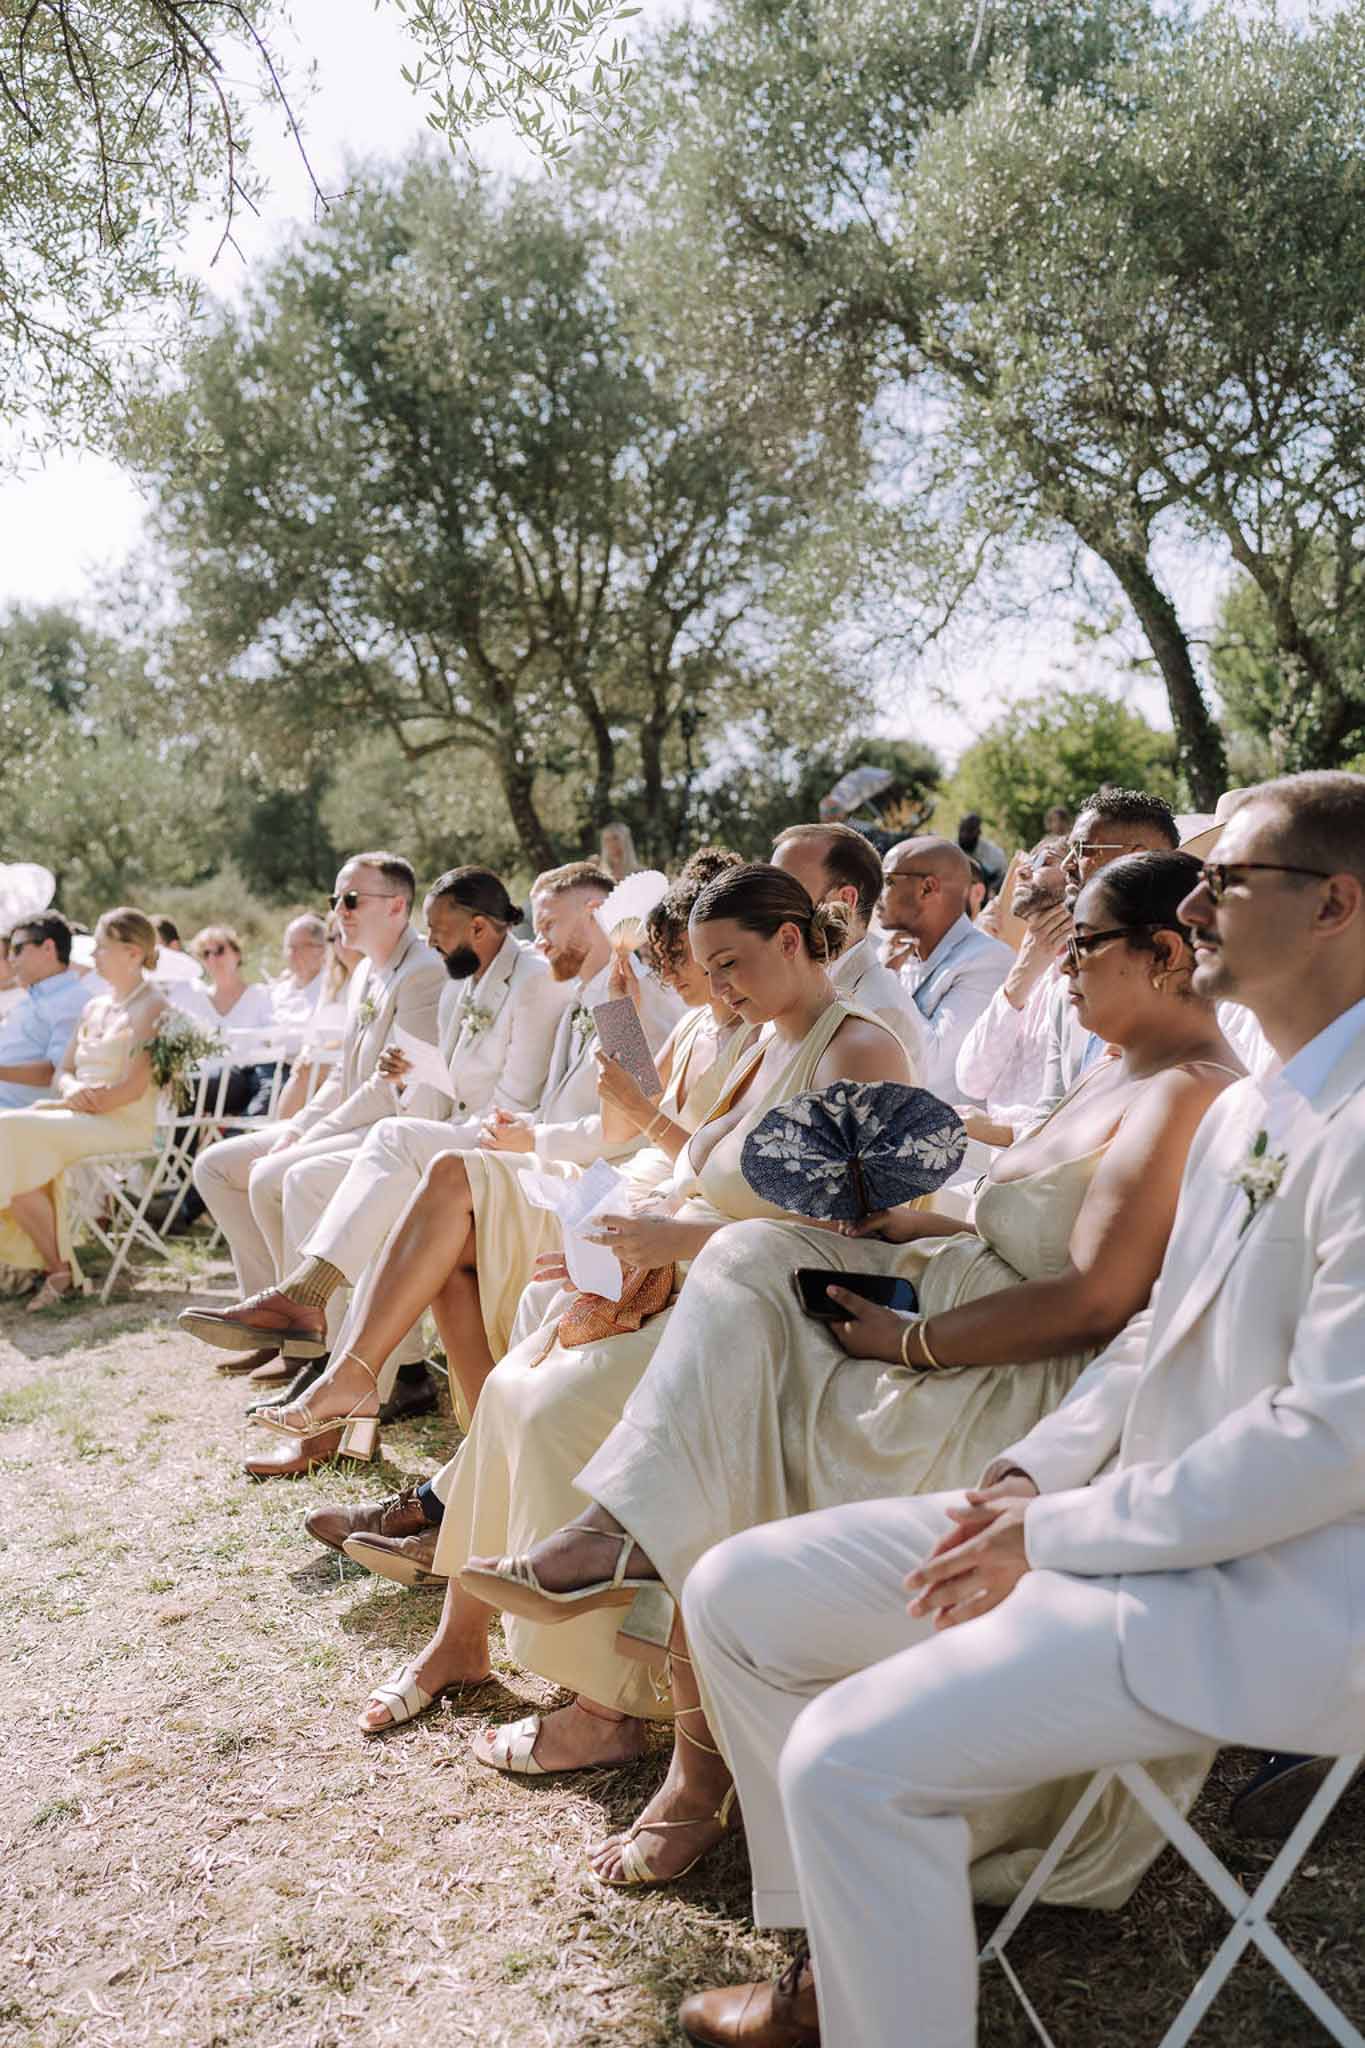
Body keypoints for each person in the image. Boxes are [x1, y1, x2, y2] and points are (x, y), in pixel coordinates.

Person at [674, 769, 1365, 2048]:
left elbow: (1333, 1440)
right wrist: (1033, 1480)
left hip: (1289, 1595)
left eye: (1230, 881)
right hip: (1121, 1531)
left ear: (1336, 905)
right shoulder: (1256, 1104)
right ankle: (838, 1952)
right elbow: (1159, 1330)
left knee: (847, 1759)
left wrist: (1053, 1538)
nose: (1197, 906)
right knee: (736, 1592)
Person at [491, 851, 1242, 1893]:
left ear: (1165, 955)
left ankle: (646, 1605)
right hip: (946, 1297)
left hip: (1009, 1378)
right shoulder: (1117, 1070)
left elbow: (1093, 1299)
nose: (1061, 967)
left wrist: (913, 1343)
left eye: (1084, 944)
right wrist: (909, 1219)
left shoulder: (1185, 1093)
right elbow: (1001, 1213)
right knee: (751, 1270)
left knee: (728, 1376)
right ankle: (642, 1596)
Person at [367, 862, 908, 1774]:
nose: (713, 984)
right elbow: (680, 1147)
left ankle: (606, 1707)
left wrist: (668, 1237)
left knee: (546, 1406)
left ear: (790, 939)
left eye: (722, 963)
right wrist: (619, 1239)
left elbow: (855, 1225)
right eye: (696, 965)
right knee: (507, 1386)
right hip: (692, 1272)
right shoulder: (755, 1039)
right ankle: (465, 1637)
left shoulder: (859, 1049)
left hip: (773, 1315)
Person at [306, 854, 753, 1582]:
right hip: (618, 1187)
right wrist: (618, 1012)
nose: (675, 969)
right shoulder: (672, 1017)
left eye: (685, 957)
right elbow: (624, 1119)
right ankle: (455, 1485)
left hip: (656, 1206)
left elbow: (643, 1138)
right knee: (454, 1255)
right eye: (672, 954)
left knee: (456, 1188)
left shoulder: (726, 1025)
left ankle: (438, 1495)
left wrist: (625, 1027)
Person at [224, 861, 679, 1464]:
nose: (536, 940)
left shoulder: (625, 1000)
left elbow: (630, 1125)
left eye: (546, 924)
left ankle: (335, 1355)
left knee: (431, 1177)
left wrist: (533, 1138)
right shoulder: (587, 992)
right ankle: (366, 1389)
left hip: (596, 1187)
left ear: (597, 917)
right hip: (548, 1164)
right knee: (416, 1208)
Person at [192, 867, 570, 1441]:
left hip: (522, 1150)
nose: (432, 940)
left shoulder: (554, 983)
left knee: (393, 1138)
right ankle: (339, 1368)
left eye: (439, 929)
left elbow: (525, 1106)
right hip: (477, 1130)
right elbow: (470, 1087)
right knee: (309, 1177)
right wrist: (421, 1069)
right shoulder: (471, 979)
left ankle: (314, 1308)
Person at [179, 852, 447, 1380]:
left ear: (397, 906)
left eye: (351, 899)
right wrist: (299, 1127)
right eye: (335, 900)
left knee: (277, 1175)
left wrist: (308, 1137)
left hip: (390, 1127)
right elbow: (342, 1076)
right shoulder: (367, 969)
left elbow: (389, 1087)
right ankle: (272, 1318)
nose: (339, 911)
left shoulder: (422, 974)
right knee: (215, 1165)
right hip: (351, 1119)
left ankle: (311, 1343)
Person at [0, 909, 168, 1309]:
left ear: (131, 952)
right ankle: (54, 1266)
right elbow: (64, 1070)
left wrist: (86, 1100)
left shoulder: (153, 1006)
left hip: (121, 1122)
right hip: (81, 1113)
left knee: (9, 1131)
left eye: (101, 948)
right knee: (12, 1140)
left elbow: (134, 1087)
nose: (93, 957)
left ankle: (52, 1268)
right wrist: (72, 1089)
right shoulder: (95, 1006)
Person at [770, 824, 926, 1072]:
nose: (769, 905)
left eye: (787, 890)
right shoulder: (781, 988)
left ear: (845, 900)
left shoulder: (880, 1012)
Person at [878, 837, 1011, 1102]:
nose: (877, 894)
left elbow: (933, 1066)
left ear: (927, 888)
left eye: (888, 881)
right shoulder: (897, 954)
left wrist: (886, 980)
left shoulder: (987, 960)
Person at [954, 836, 1071, 1138]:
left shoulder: (1086, 977)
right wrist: (1022, 977)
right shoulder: (1030, 971)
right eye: (1025, 862)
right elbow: (971, 1079)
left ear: (1076, 872)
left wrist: (1006, 1133)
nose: (1022, 871)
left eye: (1044, 862)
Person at [0, 913, 93, 1111]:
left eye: (17, 949)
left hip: (19, 1115)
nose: (10, 959)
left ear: (48, 948)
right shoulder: (31, 998)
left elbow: (56, 1073)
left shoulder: (73, 1000)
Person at [957, 814, 1007, 897]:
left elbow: (1004, 874)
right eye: (962, 829)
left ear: (978, 832)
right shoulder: (952, 849)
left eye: (969, 831)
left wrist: (993, 888)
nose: (964, 835)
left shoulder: (993, 853)